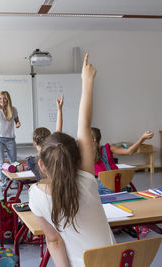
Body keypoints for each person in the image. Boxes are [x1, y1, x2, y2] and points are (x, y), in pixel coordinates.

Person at [28, 54, 116, 267]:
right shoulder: (87, 179)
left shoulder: (35, 196)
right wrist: (87, 82)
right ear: (78, 157)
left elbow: (54, 241)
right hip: (117, 260)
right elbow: (84, 125)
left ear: (42, 165)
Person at [90, 127, 154, 194]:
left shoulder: (87, 154)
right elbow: (129, 151)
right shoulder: (108, 148)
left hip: (105, 191)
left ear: (93, 139)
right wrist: (142, 138)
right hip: (120, 187)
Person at [0, 91, 21, 192]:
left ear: (8, 100)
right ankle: (3, 185)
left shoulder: (13, 109)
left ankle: (15, 182)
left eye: (4, 98)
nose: (2, 101)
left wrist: (18, 124)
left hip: (10, 139)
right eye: (0, 99)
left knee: (13, 162)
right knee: (1, 162)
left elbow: (17, 121)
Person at [27, 95, 64, 181]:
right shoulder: (54, 155)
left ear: (34, 142)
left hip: (43, 190)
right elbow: (59, 130)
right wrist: (59, 109)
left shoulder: (31, 161)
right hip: (58, 188)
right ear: (50, 139)